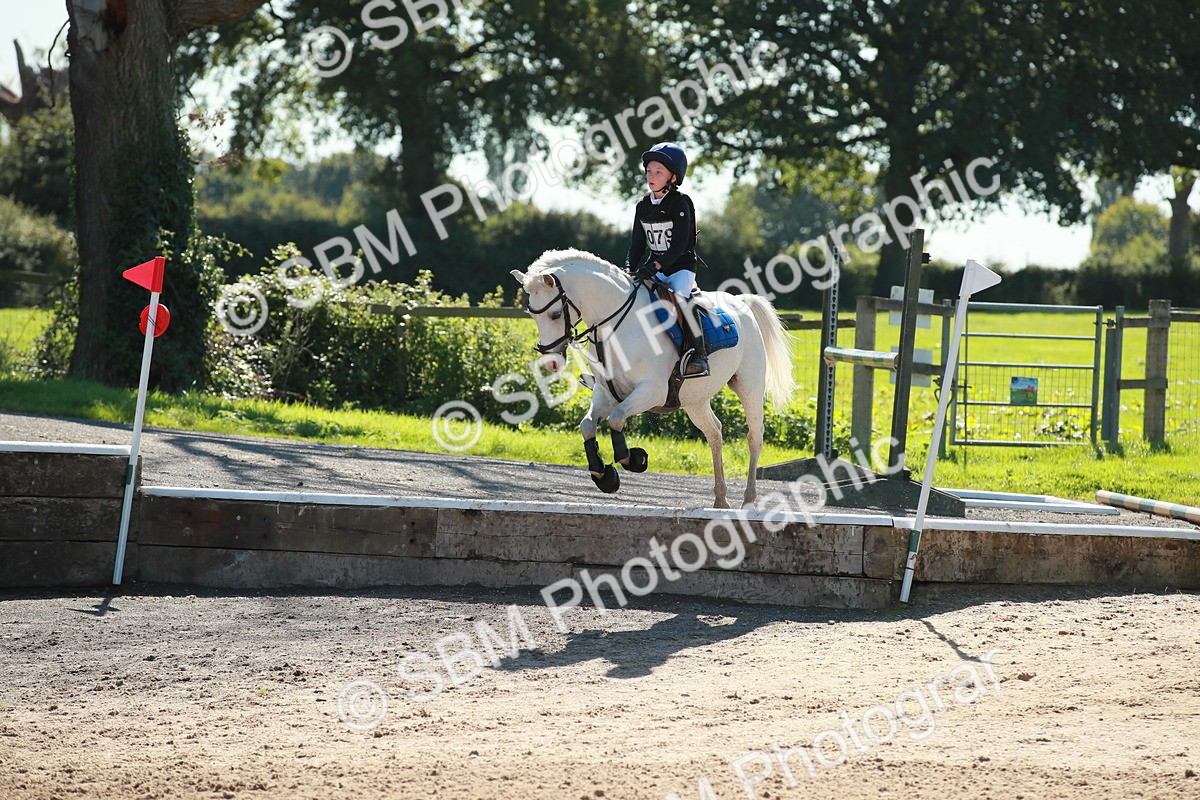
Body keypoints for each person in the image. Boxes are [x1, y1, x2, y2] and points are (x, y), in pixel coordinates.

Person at [624, 142, 710, 378]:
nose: (651, 176)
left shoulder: (680, 203)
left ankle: (698, 355)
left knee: (682, 298)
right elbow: (637, 245)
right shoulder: (642, 206)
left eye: (658, 172)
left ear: (673, 177)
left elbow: (680, 245)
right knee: (632, 299)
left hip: (680, 267)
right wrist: (630, 268)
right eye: (649, 171)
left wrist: (654, 267)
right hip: (656, 268)